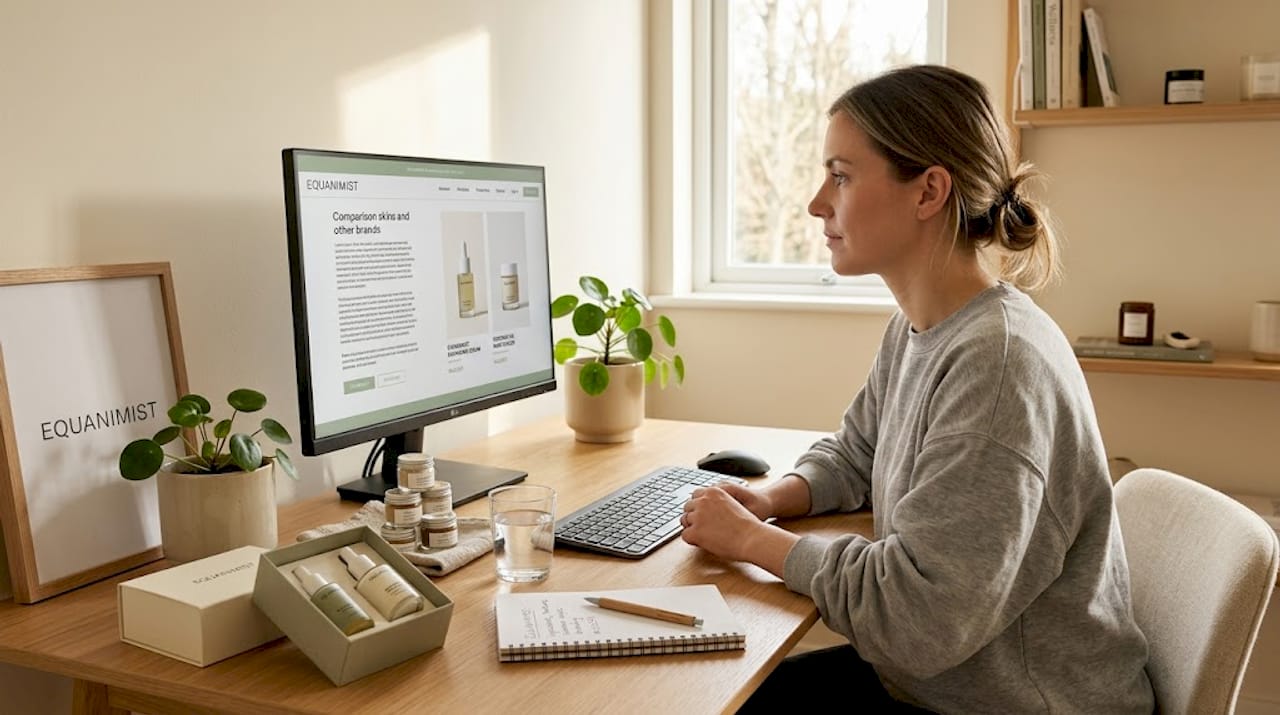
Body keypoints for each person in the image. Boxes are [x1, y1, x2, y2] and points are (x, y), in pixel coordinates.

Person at [679, 64, 1154, 713]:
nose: (819, 202)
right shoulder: (921, 327)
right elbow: (858, 453)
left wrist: (752, 542)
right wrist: (766, 498)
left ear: (929, 191)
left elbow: (916, 618)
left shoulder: (998, 367)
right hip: (938, 686)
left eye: (841, 175)